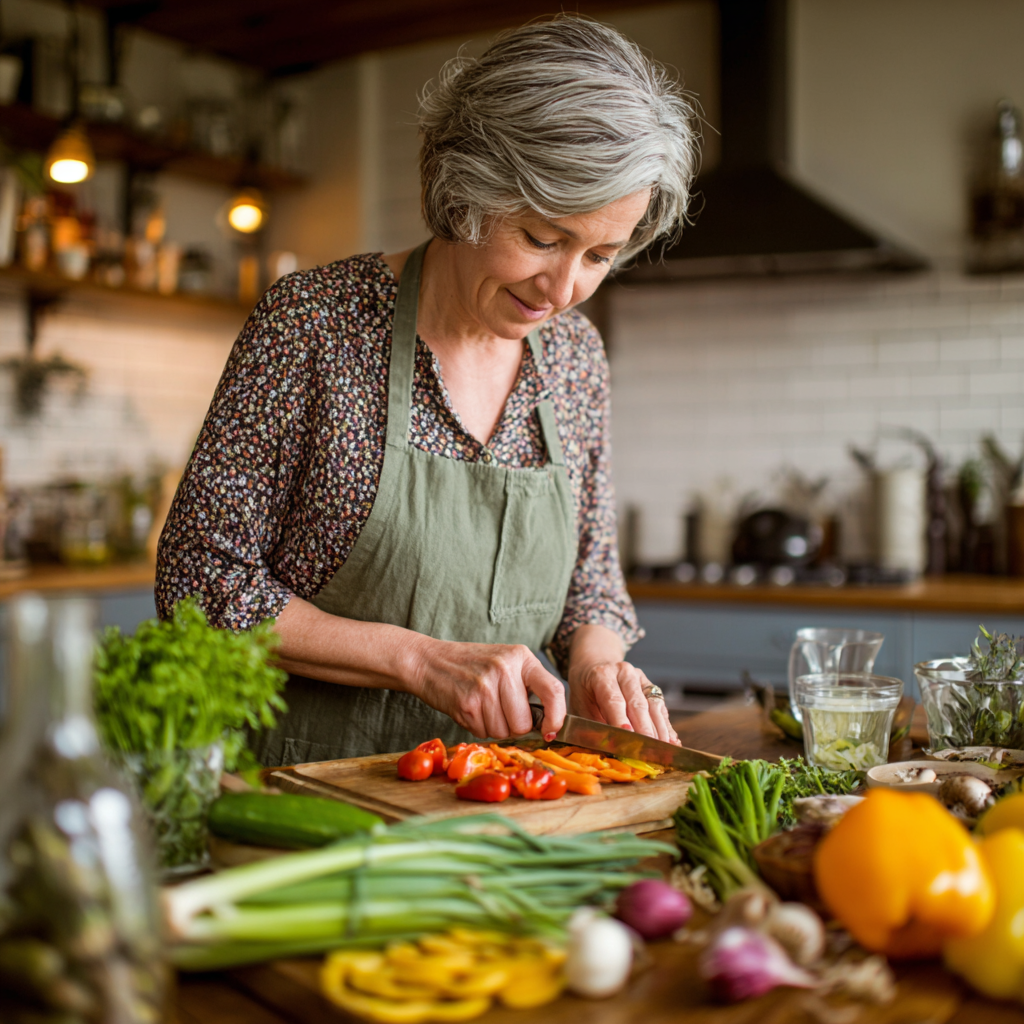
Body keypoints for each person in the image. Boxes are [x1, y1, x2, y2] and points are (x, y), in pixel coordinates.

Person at [156, 15, 699, 765]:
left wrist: (599, 665)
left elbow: (593, 586)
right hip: (301, 796)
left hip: (506, 795)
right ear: (465, 189)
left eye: (600, 254)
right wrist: (419, 660)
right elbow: (198, 582)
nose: (564, 287)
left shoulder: (575, 358)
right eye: (542, 239)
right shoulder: (314, 323)